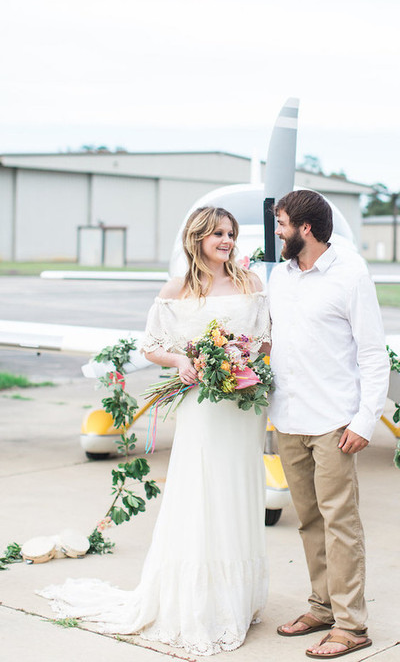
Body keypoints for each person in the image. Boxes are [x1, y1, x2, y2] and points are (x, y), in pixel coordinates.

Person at [39, 207, 271, 656]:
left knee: (238, 492)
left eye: (231, 234)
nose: (226, 240)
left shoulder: (250, 284)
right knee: (202, 491)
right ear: (198, 237)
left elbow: (265, 340)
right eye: (218, 233)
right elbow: (151, 345)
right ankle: (199, 599)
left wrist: (245, 359)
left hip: (243, 406)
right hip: (202, 408)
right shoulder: (176, 289)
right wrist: (183, 361)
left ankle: (236, 598)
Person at [266, 189, 390, 659]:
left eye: (282, 225)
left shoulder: (351, 274)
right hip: (289, 419)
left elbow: (372, 354)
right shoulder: (281, 275)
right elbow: (273, 338)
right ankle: (321, 607)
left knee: (341, 522)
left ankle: (351, 625)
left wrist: (365, 420)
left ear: (306, 230)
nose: (276, 233)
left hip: (335, 422)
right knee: (310, 521)